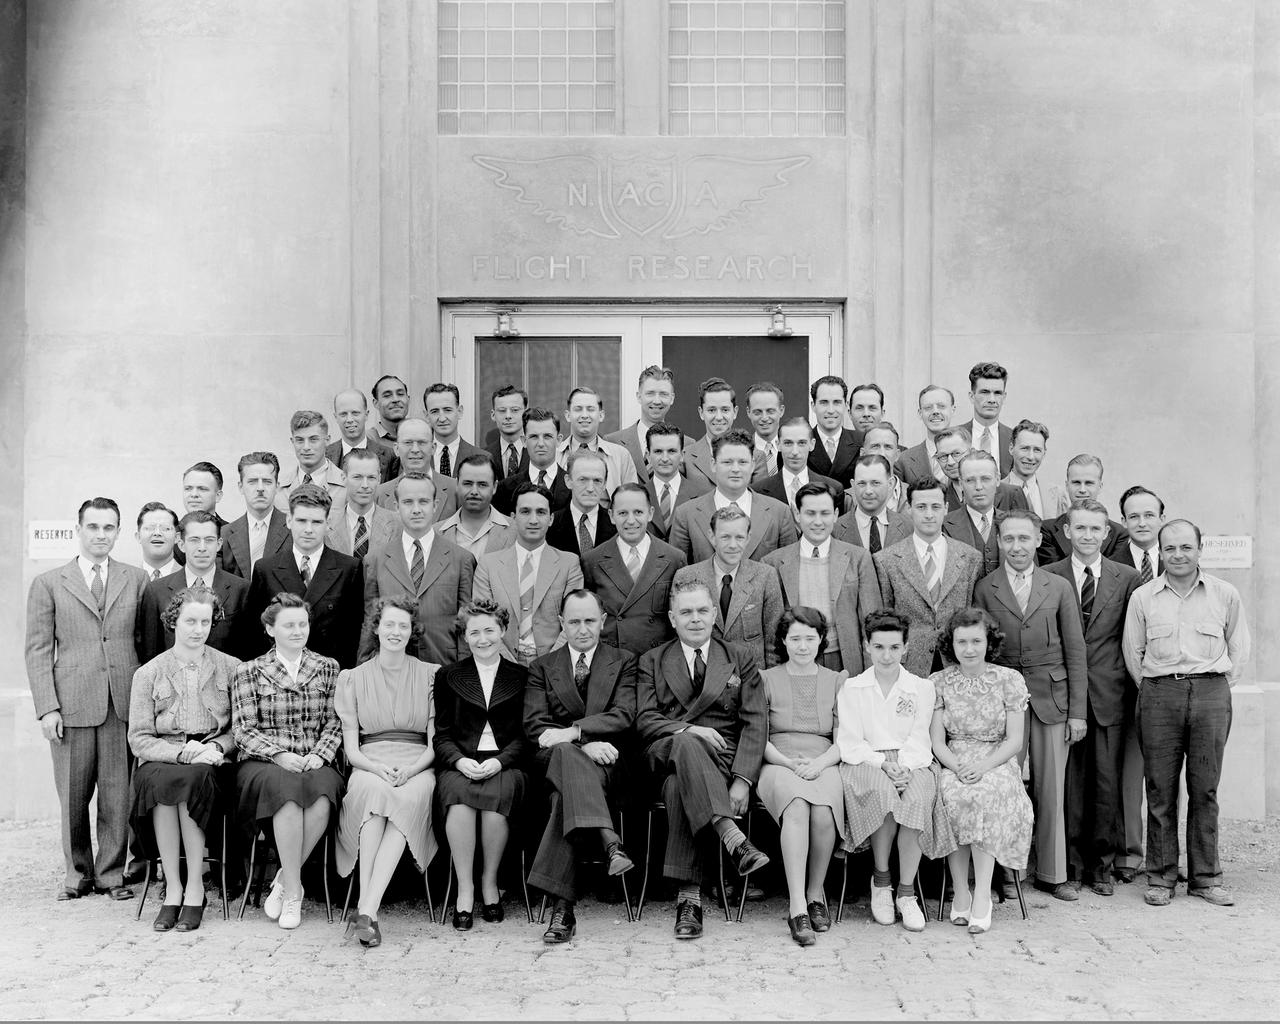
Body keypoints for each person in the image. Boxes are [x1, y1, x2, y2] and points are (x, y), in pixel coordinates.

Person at [1123, 519, 1251, 908]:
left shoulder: (1224, 594)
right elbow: (1133, 652)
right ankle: (1161, 877)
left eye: (1185, 548)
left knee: (1205, 788)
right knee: (1160, 789)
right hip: (1160, 693)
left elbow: (1239, 648)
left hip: (1211, 691)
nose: (1178, 555)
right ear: (1160, 553)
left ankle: (1205, 877)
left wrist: (1213, 686)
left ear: (1200, 550)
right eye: (1170, 549)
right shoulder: (1144, 597)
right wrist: (1158, 688)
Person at [25, 497, 148, 901]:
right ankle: (77, 874)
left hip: (121, 701)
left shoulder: (135, 578)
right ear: (79, 530)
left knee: (117, 793)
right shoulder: (49, 582)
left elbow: (143, 642)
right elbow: (39, 649)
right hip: (71, 702)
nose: (100, 535)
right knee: (73, 795)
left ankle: (111, 874)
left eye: (108, 527)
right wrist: (47, 707)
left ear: (117, 531)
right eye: (93, 527)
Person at [636, 579, 770, 940]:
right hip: (665, 749)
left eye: (701, 611)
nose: (694, 619)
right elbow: (645, 719)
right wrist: (688, 731)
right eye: (685, 612)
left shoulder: (738, 656)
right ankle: (731, 835)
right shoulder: (653, 659)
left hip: (721, 757)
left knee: (680, 786)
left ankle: (688, 900)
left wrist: (743, 780)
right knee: (686, 747)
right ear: (672, 618)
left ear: (714, 614)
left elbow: (755, 720)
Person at [973, 509, 1088, 902]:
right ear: (999, 542)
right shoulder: (986, 587)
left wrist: (1077, 712)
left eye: (1024, 538)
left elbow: (1075, 650)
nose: (1016, 546)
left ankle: (1052, 872)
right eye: (1008, 539)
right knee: (1004, 786)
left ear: (1038, 540)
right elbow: (983, 648)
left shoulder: (1057, 586)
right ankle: (1008, 872)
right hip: (1005, 702)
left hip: (1052, 698)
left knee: (1052, 786)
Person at [525, 590, 639, 944]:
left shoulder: (623, 661)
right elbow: (535, 728)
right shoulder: (542, 666)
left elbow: (624, 715)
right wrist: (583, 747)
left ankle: (563, 907)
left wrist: (575, 733)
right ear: (562, 623)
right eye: (574, 621)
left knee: (565, 794)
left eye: (590, 620)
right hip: (556, 765)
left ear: (603, 621)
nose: (583, 629)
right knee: (564, 760)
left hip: (609, 765)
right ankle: (609, 843)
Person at [1043, 499, 1141, 896]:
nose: (1087, 536)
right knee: (1065, 783)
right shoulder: (1049, 576)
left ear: (1107, 533)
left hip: (1108, 692)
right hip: (1060, 692)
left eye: (1094, 529)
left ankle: (1100, 865)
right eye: (1079, 528)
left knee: (1105, 781)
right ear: (1067, 531)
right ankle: (1066, 863)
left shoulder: (1128, 578)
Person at [127, 587, 240, 931]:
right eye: (190, 621)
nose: (198, 629)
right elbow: (139, 738)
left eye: (205, 621)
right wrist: (178, 753)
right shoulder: (149, 673)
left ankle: (194, 887)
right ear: (174, 621)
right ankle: (172, 887)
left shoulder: (231, 667)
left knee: (193, 779)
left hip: (209, 758)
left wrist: (216, 748)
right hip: (164, 755)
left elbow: (241, 728)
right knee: (163, 782)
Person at [231, 593, 344, 930]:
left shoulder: (327, 668)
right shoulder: (249, 671)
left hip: (313, 758)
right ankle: (294, 893)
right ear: (270, 629)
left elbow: (335, 723)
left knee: (323, 796)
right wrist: (279, 755)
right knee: (289, 795)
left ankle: (283, 878)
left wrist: (318, 756)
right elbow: (243, 729)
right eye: (289, 625)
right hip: (265, 762)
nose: (297, 631)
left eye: (302, 624)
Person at [836, 610, 953, 933]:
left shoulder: (920, 688)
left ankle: (906, 892)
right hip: (867, 761)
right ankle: (882, 881)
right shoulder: (853, 687)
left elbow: (920, 736)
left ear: (905, 648)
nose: (886, 655)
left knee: (915, 799)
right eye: (879, 647)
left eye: (893, 647)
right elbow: (850, 740)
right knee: (883, 796)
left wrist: (904, 765)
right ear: (867, 647)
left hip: (912, 760)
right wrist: (882, 764)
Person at [335, 597, 439, 948]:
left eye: (403, 626)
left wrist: (411, 770)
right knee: (376, 794)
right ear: (376, 628)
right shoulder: (351, 679)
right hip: (370, 762)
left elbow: (433, 744)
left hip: (416, 763)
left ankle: (366, 908)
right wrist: (376, 767)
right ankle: (370, 913)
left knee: (405, 799)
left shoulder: (431, 676)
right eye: (389, 625)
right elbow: (351, 751)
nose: (396, 632)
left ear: (412, 632)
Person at [930, 607, 1034, 934]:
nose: (970, 649)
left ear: (989, 642)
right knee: (951, 794)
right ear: (952, 644)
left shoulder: (1008, 680)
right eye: (962, 642)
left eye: (977, 640)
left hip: (997, 759)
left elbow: (1015, 740)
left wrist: (983, 766)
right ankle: (961, 890)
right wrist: (957, 766)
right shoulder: (939, 681)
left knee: (984, 796)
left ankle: (982, 896)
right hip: (955, 758)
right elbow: (936, 741)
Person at [434, 600, 531, 930]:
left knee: (493, 807)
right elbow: (442, 735)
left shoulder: (521, 676)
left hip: (505, 762)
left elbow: (526, 735)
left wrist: (499, 762)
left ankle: (490, 883)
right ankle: (465, 888)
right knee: (459, 804)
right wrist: (459, 761)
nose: (483, 638)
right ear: (465, 636)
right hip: (460, 763)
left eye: (490, 630)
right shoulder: (448, 676)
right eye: (474, 632)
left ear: (503, 631)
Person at [756, 608, 846, 946]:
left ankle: (815, 894)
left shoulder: (837, 680)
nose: (803, 646)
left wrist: (820, 763)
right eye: (795, 638)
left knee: (822, 809)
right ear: (783, 640)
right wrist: (789, 764)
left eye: (810, 638)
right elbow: (758, 737)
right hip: (778, 761)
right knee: (796, 804)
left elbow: (844, 739)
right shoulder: (765, 678)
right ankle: (796, 907)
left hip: (824, 760)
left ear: (822, 639)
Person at [242, 485, 365, 668]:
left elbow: (354, 633)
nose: (308, 529)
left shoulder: (349, 568)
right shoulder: (265, 569)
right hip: (277, 676)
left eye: (316, 522)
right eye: (301, 521)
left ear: (328, 522)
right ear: (289, 520)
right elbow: (253, 632)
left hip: (330, 676)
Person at [764, 482, 881, 674]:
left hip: (844, 660)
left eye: (825, 513)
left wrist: (870, 675)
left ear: (835, 515)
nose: (818, 521)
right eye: (810, 513)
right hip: (795, 660)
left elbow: (871, 623)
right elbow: (772, 629)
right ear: (797, 514)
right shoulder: (774, 563)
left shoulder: (858, 558)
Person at [361, 471, 475, 666]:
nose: (416, 509)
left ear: (435, 505)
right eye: (408, 502)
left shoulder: (461, 559)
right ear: (396, 507)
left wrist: (464, 674)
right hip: (392, 670)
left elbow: (468, 623)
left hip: (444, 668)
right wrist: (365, 666)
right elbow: (370, 623)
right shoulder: (375, 560)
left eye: (423, 501)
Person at [873, 480, 983, 676]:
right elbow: (887, 617)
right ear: (909, 508)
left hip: (957, 660)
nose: (929, 514)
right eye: (921, 507)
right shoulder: (887, 560)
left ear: (946, 508)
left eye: (936, 507)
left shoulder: (970, 558)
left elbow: (972, 615)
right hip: (909, 665)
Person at [1112, 484, 1166, 881]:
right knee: (1130, 774)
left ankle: (1166, 856)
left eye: (1149, 515)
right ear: (1124, 522)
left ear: (1161, 518)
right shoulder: (1110, 561)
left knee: (1166, 774)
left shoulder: (1180, 559)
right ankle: (1130, 854)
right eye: (1133, 516)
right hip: (1124, 685)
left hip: (1172, 686)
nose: (1142, 522)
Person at [474, 482, 584, 665]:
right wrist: (507, 665)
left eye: (541, 512)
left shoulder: (569, 564)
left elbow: (574, 621)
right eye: (525, 512)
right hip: (500, 664)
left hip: (553, 665)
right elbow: (483, 621)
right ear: (513, 517)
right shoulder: (489, 565)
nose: (533, 520)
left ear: (551, 519)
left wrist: (548, 665)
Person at [673, 505, 785, 670]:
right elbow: (678, 635)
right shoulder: (686, 576)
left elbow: (774, 639)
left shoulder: (765, 576)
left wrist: (768, 681)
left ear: (748, 538)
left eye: (739, 537)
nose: (733, 545)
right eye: (725, 537)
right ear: (712, 537)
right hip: (704, 676)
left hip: (752, 676)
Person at [580, 482, 687, 655]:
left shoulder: (674, 558)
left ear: (650, 513)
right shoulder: (592, 560)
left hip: (658, 660)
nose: (631, 521)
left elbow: (681, 614)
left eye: (638, 512)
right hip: (612, 659)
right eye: (622, 513)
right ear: (611, 516)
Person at [669, 429, 798, 564]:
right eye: (727, 462)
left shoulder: (779, 512)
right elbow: (680, 574)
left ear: (753, 465)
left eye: (742, 462)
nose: (735, 469)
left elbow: (789, 570)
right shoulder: (686, 514)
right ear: (713, 464)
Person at [136, 510, 249, 663]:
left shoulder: (242, 590)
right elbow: (150, 652)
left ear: (219, 544)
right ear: (181, 544)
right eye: (194, 540)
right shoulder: (156, 591)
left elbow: (250, 649)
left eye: (209, 540)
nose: (202, 547)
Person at [942, 450, 1030, 576]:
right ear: (961, 484)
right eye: (970, 480)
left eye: (985, 479)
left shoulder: (1016, 525)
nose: (978, 486)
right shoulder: (944, 526)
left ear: (998, 479)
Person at [1036, 454, 1128, 564]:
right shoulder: (1046, 531)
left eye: (1089, 483)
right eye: (1076, 483)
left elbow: (1114, 575)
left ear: (1100, 486)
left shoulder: (1119, 534)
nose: (1082, 489)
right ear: (1067, 485)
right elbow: (1051, 575)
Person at [682, 377, 768, 488]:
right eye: (712, 410)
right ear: (701, 412)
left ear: (735, 412)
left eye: (725, 410)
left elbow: (760, 501)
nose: (718, 417)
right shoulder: (687, 456)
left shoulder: (756, 456)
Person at [554, 386, 639, 495]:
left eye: (590, 409)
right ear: (568, 415)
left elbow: (631, 501)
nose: (584, 415)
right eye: (578, 409)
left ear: (601, 415)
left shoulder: (621, 456)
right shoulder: (554, 456)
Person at [753, 415, 846, 512]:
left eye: (801, 443)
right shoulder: (758, 491)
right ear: (778, 445)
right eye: (788, 443)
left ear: (812, 444)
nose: (795, 452)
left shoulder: (834, 488)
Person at [219, 452, 290, 579]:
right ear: (241, 487)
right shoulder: (225, 534)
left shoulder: (293, 529)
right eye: (252, 481)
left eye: (267, 481)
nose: (260, 488)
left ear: (277, 487)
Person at [434, 452, 516, 557]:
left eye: (482, 484)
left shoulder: (515, 531)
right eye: (467, 484)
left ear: (495, 487)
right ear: (457, 484)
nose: (474, 491)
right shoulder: (435, 534)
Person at [375, 416, 460, 519]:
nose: (415, 449)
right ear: (396, 449)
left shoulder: (456, 490)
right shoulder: (380, 494)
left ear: (433, 448)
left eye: (422, 443)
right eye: (408, 443)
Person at [605, 365, 675, 483]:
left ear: (672, 398)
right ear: (639, 396)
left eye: (663, 394)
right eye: (650, 393)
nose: (657, 401)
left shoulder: (687, 445)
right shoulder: (612, 442)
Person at [642, 421, 711, 541]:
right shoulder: (637, 496)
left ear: (682, 454)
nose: (665, 458)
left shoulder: (703, 496)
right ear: (648, 455)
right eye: (658, 451)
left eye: (671, 451)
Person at [324, 449, 397, 558]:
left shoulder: (397, 524)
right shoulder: (326, 524)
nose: (365, 485)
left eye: (371, 477)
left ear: (379, 479)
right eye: (357, 477)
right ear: (344, 478)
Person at [546, 448, 617, 557]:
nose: (590, 488)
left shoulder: (617, 525)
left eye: (597, 481)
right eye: (583, 480)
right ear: (568, 481)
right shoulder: (549, 525)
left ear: (605, 484)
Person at [834, 454, 912, 551]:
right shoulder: (834, 530)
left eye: (875, 483)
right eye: (862, 483)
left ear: (890, 484)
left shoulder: (909, 527)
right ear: (853, 485)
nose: (868, 491)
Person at [276, 410, 347, 512]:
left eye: (313, 439)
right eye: (300, 440)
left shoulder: (346, 486)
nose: (306, 447)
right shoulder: (279, 489)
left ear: (327, 440)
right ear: (292, 442)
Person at [326, 388, 397, 483]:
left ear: (366, 415)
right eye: (343, 414)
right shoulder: (325, 456)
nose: (349, 419)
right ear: (336, 417)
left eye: (355, 413)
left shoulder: (389, 456)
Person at [807, 375, 864, 486]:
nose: (831, 410)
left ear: (846, 405)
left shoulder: (861, 441)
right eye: (824, 402)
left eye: (837, 402)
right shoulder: (801, 443)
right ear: (813, 406)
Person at [896, 385, 956, 488]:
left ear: (953, 410)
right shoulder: (904, 460)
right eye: (928, 407)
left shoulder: (969, 454)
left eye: (941, 406)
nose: (935, 412)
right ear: (920, 413)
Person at [425, 382, 484, 478]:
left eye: (447, 410)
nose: (442, 418)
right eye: (434, 411)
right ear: (427, 416)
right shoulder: (416, 458)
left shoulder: (482, 458)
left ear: (459, 411)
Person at [965, 362, 1013, 476]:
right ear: (972, 396)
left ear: (1004, 397)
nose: (992, 399)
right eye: (985, 392)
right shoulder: (956, 436)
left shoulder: (1014, 438)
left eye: (997, 393)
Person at [1003, 419, 1052, 518]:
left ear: (1044, 453)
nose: (1030, 457)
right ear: (1011, 448)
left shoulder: (1057, 495)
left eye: (1037, 450)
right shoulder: (995, 491)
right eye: (1025, 448)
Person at [860, 422, 909, 512]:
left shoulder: (913, 494)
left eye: (888, 447)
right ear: (863, 454)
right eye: (875, 446)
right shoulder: (849, 498)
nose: (882, 453)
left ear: (897, 455)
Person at [486, 384, 530, 480]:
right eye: (502, 411)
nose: (508, 416)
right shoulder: (484, 455)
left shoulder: (537, 451)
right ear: (493, 415)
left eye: (515, 410)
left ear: (526, 414)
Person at [745, 381, 786, 481]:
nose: (764, 418)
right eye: (757, 412)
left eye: (770, 411)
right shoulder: (742, 452)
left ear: (781, 411)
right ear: (748, 412)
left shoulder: (793, 449)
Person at [931, 427, 973, 511]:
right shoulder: (938, 499)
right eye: (943, 456)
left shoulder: (1003, 493)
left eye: (957, 453)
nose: (950, 462)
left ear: (972, 452)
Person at [136, 502, 180, 581]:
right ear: (138, 537)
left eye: (166, 528)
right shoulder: (127, 579)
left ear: (177, 537)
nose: (157, 533)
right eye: (150, 528)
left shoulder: (190, 579)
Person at [181, 462, 228, 534]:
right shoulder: (172, 533)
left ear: (218, 496)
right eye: (188, 488)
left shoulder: (232, 534)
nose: (194, 494)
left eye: (202, 489)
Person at [369, 373, 410, 444]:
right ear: (376, 403)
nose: (395, 399)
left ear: (408, 399)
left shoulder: (424, 435)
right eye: (387, 395)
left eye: (400, 394)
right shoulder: (367, 440)